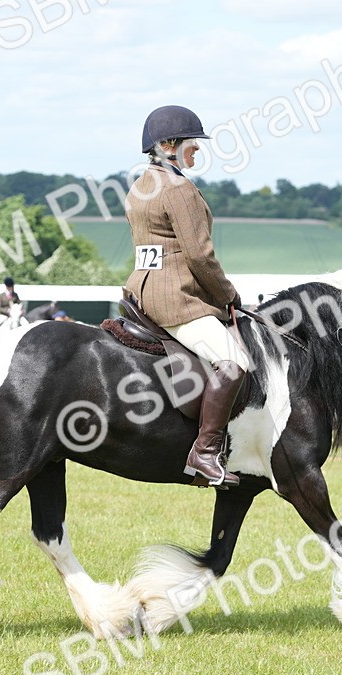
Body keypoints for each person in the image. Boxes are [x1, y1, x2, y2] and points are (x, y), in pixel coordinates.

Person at [125, 104, 250, 488]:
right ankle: (206, 451)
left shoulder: (140, 186)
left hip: (140, 292)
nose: (196, 150)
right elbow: (199, 255)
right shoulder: (179, 189)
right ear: (167, 144)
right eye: (190, 143)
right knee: (234, 362)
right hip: (175, 300)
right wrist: (228, 294)